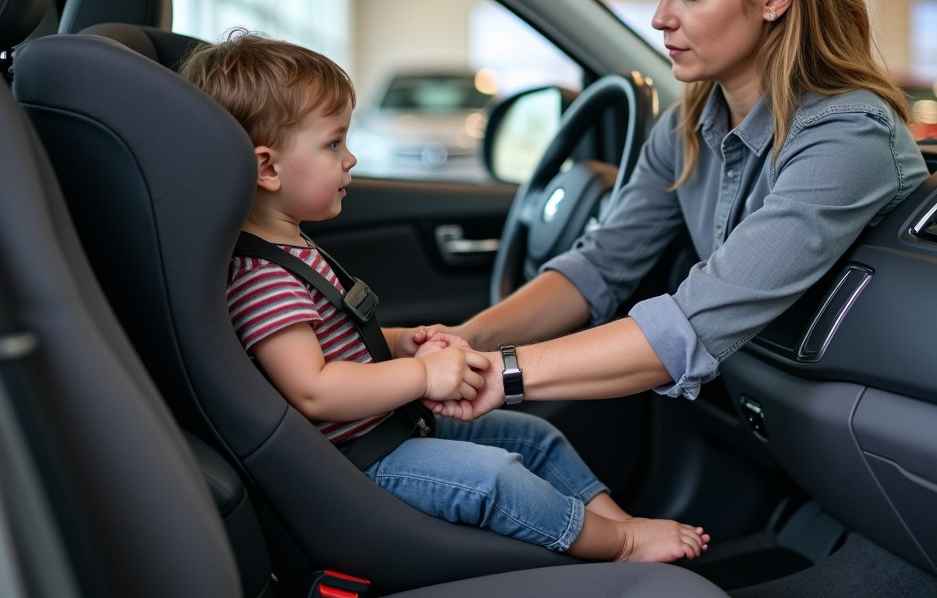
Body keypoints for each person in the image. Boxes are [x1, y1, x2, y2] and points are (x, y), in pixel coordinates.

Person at [399, 0, 930, 419]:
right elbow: (601, 266)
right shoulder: (685, 126)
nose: (659, 17)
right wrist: (465, 339)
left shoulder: (845, 136)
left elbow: (693, 323)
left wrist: (502, 375)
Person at [179, 30, 710, 563]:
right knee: (495, 478)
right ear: (268, 167)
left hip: (388, 429)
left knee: (532, 437)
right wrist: (425, 375)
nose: (352, 158)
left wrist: (400, 343)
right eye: (333, 143)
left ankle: (624, 526)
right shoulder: (261, 276)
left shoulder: (292, 244)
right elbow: (314, 389)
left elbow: (330, 344)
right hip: (364, 461)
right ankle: (618, 546)